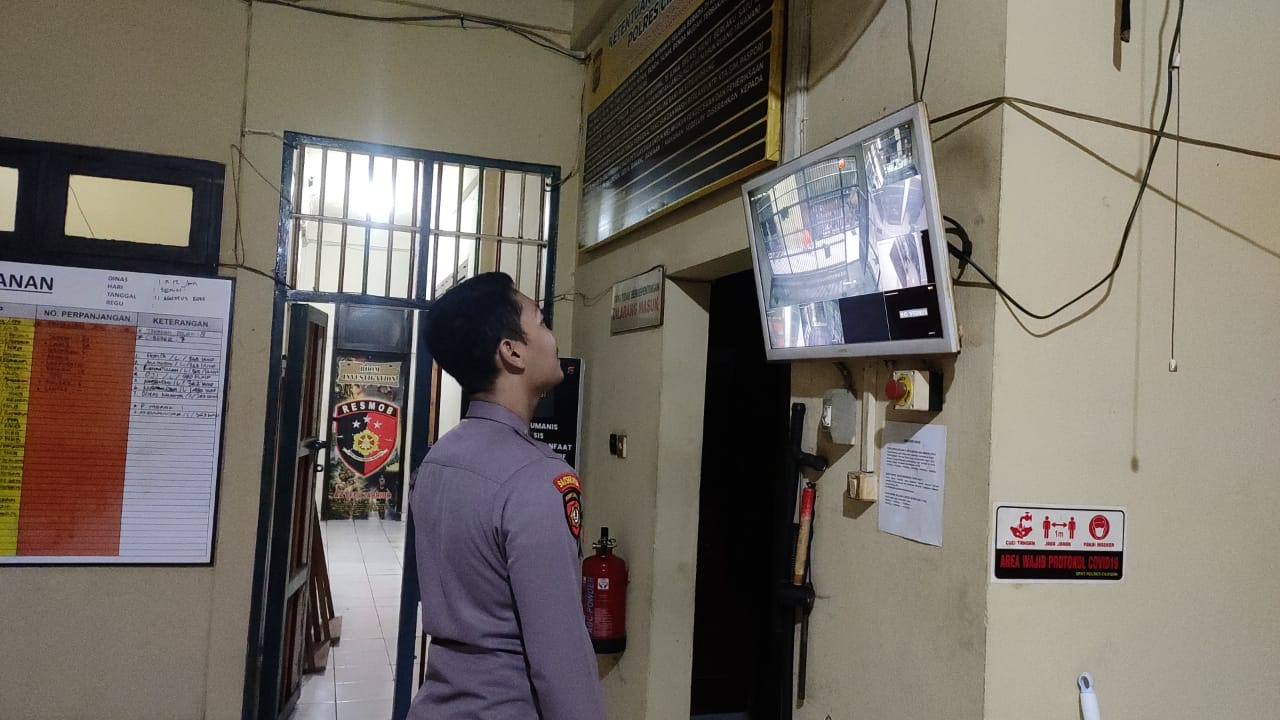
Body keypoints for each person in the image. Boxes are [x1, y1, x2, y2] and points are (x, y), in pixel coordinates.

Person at [409, 272, 605, 720]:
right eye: (541, 321)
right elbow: (560, 658)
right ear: (511, 351)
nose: (552, 337)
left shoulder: (439, 459)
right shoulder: (538, 477)